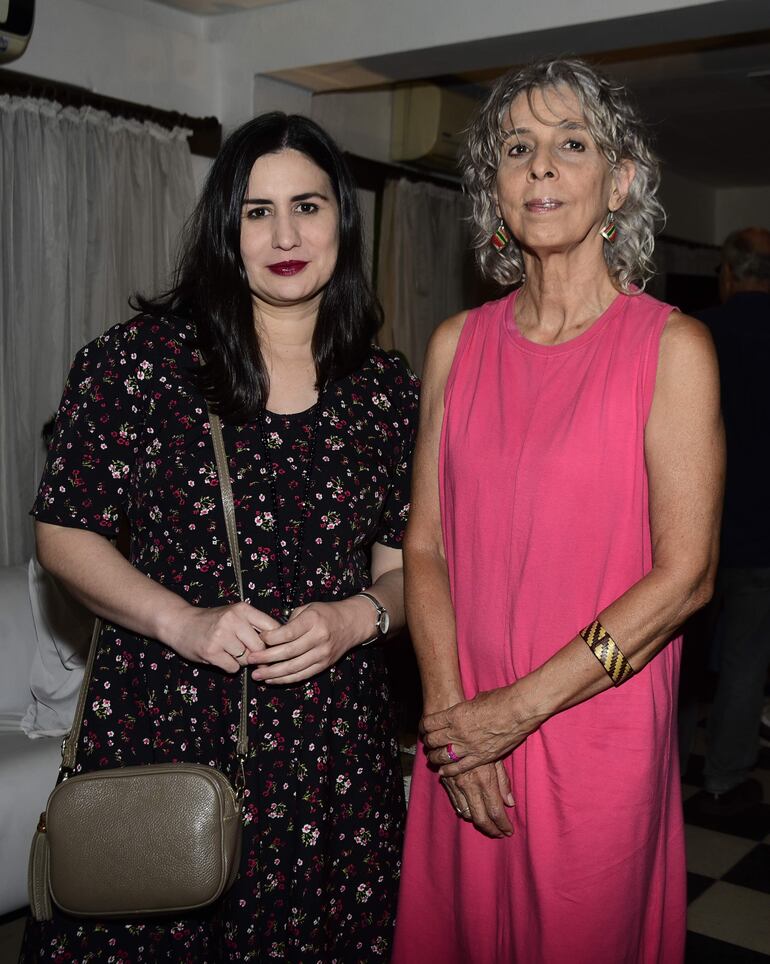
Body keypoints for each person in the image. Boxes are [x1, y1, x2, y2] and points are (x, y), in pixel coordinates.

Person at [22, 112, 418, 962]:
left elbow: (409, 569)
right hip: (168, 731)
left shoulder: (386, 391)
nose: (285, 234)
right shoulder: (139, 364)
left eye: (307, 206)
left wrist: (357, 617)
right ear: (223, 229)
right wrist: (184, 622)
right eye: (255, 210)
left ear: (343, 221)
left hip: (332, 759)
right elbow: (65, 534)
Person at [391, 58, 724, 964]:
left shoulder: (674, 348)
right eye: (517, 149)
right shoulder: (456, 346)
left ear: (619, 182)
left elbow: (686, 575)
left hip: (592, 732)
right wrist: (456, 716)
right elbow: (424, 548)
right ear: (493, 189)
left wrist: (515, 711)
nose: (540, 168)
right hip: (462, 737)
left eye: (571, 145)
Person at [693, 227, 770, 815]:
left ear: (728, 274)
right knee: (746, 655)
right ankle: (723, 773)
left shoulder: (697, 334)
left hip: (691, 527)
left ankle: (654, 765)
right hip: (759, 531)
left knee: (670, 656)